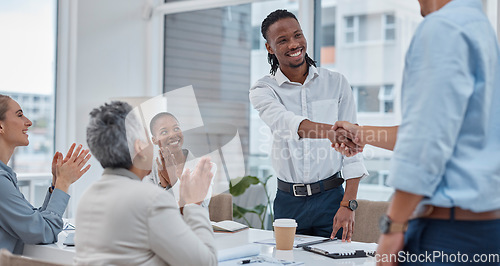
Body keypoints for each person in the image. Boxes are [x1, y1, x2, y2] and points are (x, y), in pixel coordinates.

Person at [335, 0, 500, 265]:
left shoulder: (442, 28)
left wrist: (393, 227)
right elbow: (442, 131)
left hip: (445, 236)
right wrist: (361, 133)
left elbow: (425, 142)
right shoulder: (480, 29)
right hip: (483, 231)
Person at [249, 9, 368, 241]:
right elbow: (287, 124)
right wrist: (335, 133)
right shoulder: (263, 90)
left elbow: (353, 153)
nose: (294, 44)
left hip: (332, 199)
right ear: (269, 48)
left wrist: (349, 204)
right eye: (282, 40)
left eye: (298, 35)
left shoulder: (336, 83)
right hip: (288, 203)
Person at [74, 101, 217, 266]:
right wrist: (193, 205)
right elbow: (204, 263)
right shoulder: (150, 200)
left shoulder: (87, 197)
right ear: (139, 147)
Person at [0, 94, 91, 254]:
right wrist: (64, 183)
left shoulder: (5, 176)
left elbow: (34, 222)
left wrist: (56, 184)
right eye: (19, 115)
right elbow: (44, 232)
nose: (29, 122)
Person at [144, 112, 216, 208]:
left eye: (176, 129)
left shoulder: (205, 167)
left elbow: (199, 207)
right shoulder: (152, 169)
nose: (173, 135)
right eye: (164, 132)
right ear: (154, 140)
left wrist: (172, 181)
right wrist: (164, 186)